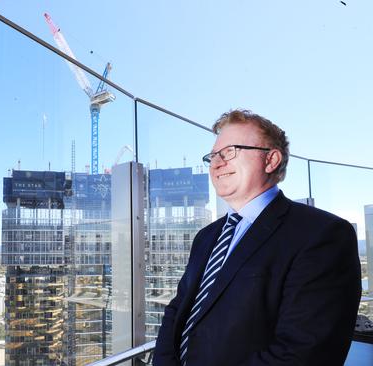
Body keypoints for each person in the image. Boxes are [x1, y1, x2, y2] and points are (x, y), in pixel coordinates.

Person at [153, 109, 361, 366]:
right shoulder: (206, 237)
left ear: (271, 160)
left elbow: (304, 352)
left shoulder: (322, 235)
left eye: (230, 151)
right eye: (213, 156)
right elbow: (177, 310)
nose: (217, 163)